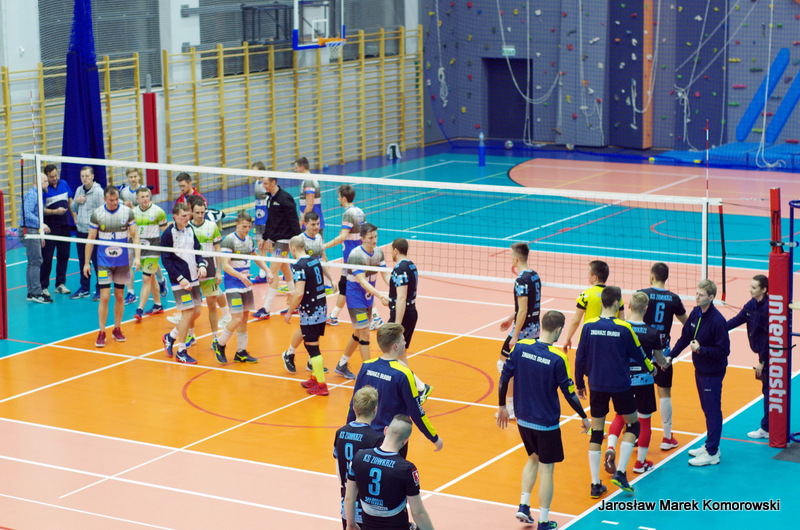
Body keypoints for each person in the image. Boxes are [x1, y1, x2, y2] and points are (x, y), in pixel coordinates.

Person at [497, 310, 590, 528]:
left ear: (542, 326)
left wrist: (502, 406)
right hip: (546, 423)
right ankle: (544, 520)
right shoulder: (558, 358)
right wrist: (584, 417)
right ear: (558, 330)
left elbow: (504, 377)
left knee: (533, 457)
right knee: (546, 469)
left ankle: (524, 505)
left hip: (523, 418)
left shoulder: (521, 347)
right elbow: (569, 394)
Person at [574, 286, 654, 497]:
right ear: (618, 303)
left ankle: (595, 485)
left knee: (596, 432)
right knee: (634, 426)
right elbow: (639, 354)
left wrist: (579, 383)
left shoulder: (589, 326)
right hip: (620, 385)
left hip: (596, 385)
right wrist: (651, 369)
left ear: (602, 302)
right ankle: (620, 473)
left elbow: (580, 356)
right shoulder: (624, 327)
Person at [346, 323, 443, 454]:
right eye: (403, 339)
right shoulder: (403, 374)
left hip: (366, 436)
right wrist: (434, 437)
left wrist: (349, 430)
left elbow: (354, 403)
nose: (405, 342)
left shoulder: (366, 366)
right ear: (395, 346)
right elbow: (416, 411)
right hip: (393, 439)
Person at [604, 292, 667, 476]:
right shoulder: (653, 333)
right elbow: (660, 360)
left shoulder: (620, 328)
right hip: (644, 381)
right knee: (644, 421)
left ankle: (611, 447)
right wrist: (665, 362)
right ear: (646, 309)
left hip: (622, 380)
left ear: (629, 306)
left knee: (619, 416)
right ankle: (640, 463)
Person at [669, 279, 730, 467]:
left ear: (711, 297)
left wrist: (701, 350)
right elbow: (685, 337)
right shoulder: (696, 313)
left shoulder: (717, 321)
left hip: (713, 373)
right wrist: (671, 356)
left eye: (701, 295)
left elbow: (723, 351)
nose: (696, 297)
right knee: (706, 409)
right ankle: (710, 445)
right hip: (700, 370)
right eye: (696, 293)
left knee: (712, 411)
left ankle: (712, 453)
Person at [344, 415, 435, 530]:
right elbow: (418, 513)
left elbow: (349, 498)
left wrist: (351, 524)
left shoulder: (359, 457)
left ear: (385, 430)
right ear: (405, 441)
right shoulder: (406, 469)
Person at [83, 186, 141, 348]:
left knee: (120, 296)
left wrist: (137, 257)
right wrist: (87, 262)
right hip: (104, 262)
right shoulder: (97, 214)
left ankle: (117, 328)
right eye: (111, 200)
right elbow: (91, 238)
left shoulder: (127, 212)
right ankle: (102, 331)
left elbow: (135, 235)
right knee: (105, 296)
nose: (114, 203)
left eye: (116, 200)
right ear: (105, 199)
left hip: (122, 262)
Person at [638, 262, 687, 451]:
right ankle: (667, 438)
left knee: (638, 392)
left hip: (642, 352)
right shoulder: (673, 299)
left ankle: (635, 434)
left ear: (652, 276)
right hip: (663, 352)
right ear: (666, 277)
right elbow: (687, 323)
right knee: (664, 392)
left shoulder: (642, 295)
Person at [280, 212, 337, 374]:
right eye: (313, 224)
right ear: (305, 224)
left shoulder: (318, 238)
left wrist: (331, 278)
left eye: (318, 224)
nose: (316, 227)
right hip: (307, 291)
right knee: (307, 326)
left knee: (313, 326)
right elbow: (299, 273)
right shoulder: (299, 241)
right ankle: (291, 353)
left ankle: (310, 360)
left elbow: (322, 259)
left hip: (316, 291)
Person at [212, 211, 272, 364]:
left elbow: (256, 257)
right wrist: (241, 276)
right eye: (244, 226)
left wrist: (268, 270)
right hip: (234, 285)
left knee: (244, 319)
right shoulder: (229, 241)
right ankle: (220, 344)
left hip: (246, 285)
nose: (246, 229)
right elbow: (226, 265)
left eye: (249, 227)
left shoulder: (249, 240)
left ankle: (241, 352)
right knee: (237, 318)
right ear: (237, 224)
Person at [335, 223, 390, 380]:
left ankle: (342, 364)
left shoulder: (378, 252)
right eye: (371, 237)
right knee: (365, 333)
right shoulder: (356, 255)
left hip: (368, 298)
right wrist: (380, 295)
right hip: (355, 299)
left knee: (359, 332)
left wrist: (395, 288)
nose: (374, 240)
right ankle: (369, 373)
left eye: (376, 237)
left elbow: (385, 274)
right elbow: (362, 282)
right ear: (363, 238)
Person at [498, 242, 542, 419]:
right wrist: (511, 318)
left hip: (524, 331)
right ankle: (526, 402)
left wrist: (515, 335)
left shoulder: (521, 280)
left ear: (516, 258)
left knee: (504, 365)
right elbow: (529, 306)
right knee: (524, 367)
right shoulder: (534, 276)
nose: (510, 259)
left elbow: (523, 310)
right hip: (535, 329)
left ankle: (511, 407)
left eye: (511, 256)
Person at [161, 202, 208, 364]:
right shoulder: (168, 234)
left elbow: (197, 249)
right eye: (183, 216)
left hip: (193, 277)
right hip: (179, 280)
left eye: (187, 215)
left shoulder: (190, 229)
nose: (187, 218)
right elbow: (166, 260)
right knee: (187, 313)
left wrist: (201, 264)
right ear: (174, 217)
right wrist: (180, 278)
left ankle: (171, 336)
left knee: (196, 312)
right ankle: (181, 351)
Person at [283, 234, 330, 395]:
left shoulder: (298, 266)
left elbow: (299, 293)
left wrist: (290, 311)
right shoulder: (315, 260)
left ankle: (322, 385)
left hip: (310, 311)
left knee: (312, 348)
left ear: (293, 249)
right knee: (313, 343)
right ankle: (315, 378)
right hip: (321, 307)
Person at [726, 275, 770, 439]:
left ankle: (766, 428)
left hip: (770, 355)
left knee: (769, 391)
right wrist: (717, 328)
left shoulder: (768, 308)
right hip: (762, 353)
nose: (750, 290)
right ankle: (769, 426)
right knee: (767, 390)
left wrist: (762, 361)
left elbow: (768, 338)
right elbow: (737, 320)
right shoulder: (751, 304)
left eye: (753, 287)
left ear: (763, 290)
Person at [334, 386, 383, 530]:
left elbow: (338, 471)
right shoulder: (376, 439)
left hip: (347, 503)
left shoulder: (340, 432)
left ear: (354, 408)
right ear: (375, 409)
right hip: (369, 506)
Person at [253, 176, 301, 320]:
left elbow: (294, 220)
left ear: (273, 182)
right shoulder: (270, 198)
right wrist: (265, 237)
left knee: (272, 271)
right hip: (277, 239)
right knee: (285, 268)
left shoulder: (285, 199)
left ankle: (266, 308)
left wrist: (298, 240)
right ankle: (296, 303)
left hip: (284, 240)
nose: (264, 186)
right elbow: (271, 220)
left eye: (266, 184)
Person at [388, 237, 430, 402]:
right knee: (400, 354)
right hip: (411, 312)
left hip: (403, 315)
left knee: (391, 352)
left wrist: (397, 325)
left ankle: (420, 387)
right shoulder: (411, 265)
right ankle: (412, 388)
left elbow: (401, 297)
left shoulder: (400, 269)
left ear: (395, 250)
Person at [187, 195, 231, 343]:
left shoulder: (211, 226)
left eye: (203, 212)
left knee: (212, 305)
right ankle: (191, 335)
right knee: (192, 306)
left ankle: (215, 338)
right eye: (197, 212)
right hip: (191, 269)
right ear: (191, 212)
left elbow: (217, 250)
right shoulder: (187, 227)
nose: (200, 215)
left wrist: (219, 271)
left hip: (210, 269)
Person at [122, 168, 168, 300]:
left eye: (135, 176)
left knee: (150, 268)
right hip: (134, 235)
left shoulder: (154, 207)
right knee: (127, 262)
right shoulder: (124, 192)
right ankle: (131, 292)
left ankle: (161, 280)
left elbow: (165, 230)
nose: (133, 179)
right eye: (130, 176)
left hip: (150, 239)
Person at [323, 184, 365, 327]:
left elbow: (343, 236)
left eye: (339, 197)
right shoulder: (360, 211)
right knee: (346, 285)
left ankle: (374, 318)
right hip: (358, 255)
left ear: (344, 198)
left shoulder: (348, 214)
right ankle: (334, 316)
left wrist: (325, 246)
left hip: (351, 257)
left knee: (357, 288)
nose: (338, 199)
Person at [562, 260, 624, 352]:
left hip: (589, 339)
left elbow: (576, 320)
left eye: (589, 273)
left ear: (595, 277)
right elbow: (622, 321)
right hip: (610, 340)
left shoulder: (586, 295)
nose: (588, 276)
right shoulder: (617, 296)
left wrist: (568, 338)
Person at [132, 186, 168, 321]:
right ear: (137, 199)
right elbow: (132, 233)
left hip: (154, 247)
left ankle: (139, 309)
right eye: (142, 197)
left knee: (146, 278)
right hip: (140, 248)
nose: (145, 199)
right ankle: (158, 305)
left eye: (147, 196)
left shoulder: (158, 211)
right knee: (151, 277)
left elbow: (166, 231)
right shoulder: (133, 212)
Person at [69, 166, 104, 299]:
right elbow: (73, 208)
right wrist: (76, 201)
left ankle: (101, 288)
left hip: (94, 233)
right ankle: (85, 288)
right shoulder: (79, 189)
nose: (84, 178)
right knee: (83, 262)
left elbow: (103, 211)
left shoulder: (99, 192)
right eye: (82, 176)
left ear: (92, 177)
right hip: (81, 232)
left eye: (87, 176)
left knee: (98, 262)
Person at [41, 163, 73, 296]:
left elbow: (70, 201)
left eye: (55, 175)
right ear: (46, 177)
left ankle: (60, 284)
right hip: (50, 228)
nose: (54, 178)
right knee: (47, 258)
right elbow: (41, 210)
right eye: (51, 177)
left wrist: (75, 217)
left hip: (65, 226)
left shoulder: (64, 184)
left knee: (64, 256)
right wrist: (55, 212)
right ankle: (43, 286)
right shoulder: (43, 190)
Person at [21, 173, 53, 303]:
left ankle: (31, 292)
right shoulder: (32, 195)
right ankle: (36, 293)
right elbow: (27, 213)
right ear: (38, 182)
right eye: (45, 181)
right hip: (29, 230)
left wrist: (41, 235)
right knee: (36, 261)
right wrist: (41, 225)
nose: (47, 183)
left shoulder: (37, 195)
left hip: (33, 230)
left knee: (32, 261)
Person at [250, 161, 270, 284]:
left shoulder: (268, 183)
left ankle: (287, 269)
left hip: (267, 220)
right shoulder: (256, 184)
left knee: (271, 248)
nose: (253, 174)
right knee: (260, 247)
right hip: (258, 221)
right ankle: (262, 275)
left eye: (255, 171)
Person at [296, 157, 325, 234]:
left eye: (296, 168)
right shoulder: (309, 179)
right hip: (312, 222)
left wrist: (301, 221)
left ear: (302, 168)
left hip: (311, 223)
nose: (295, 170)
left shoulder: (308, 181)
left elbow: (310, 205)